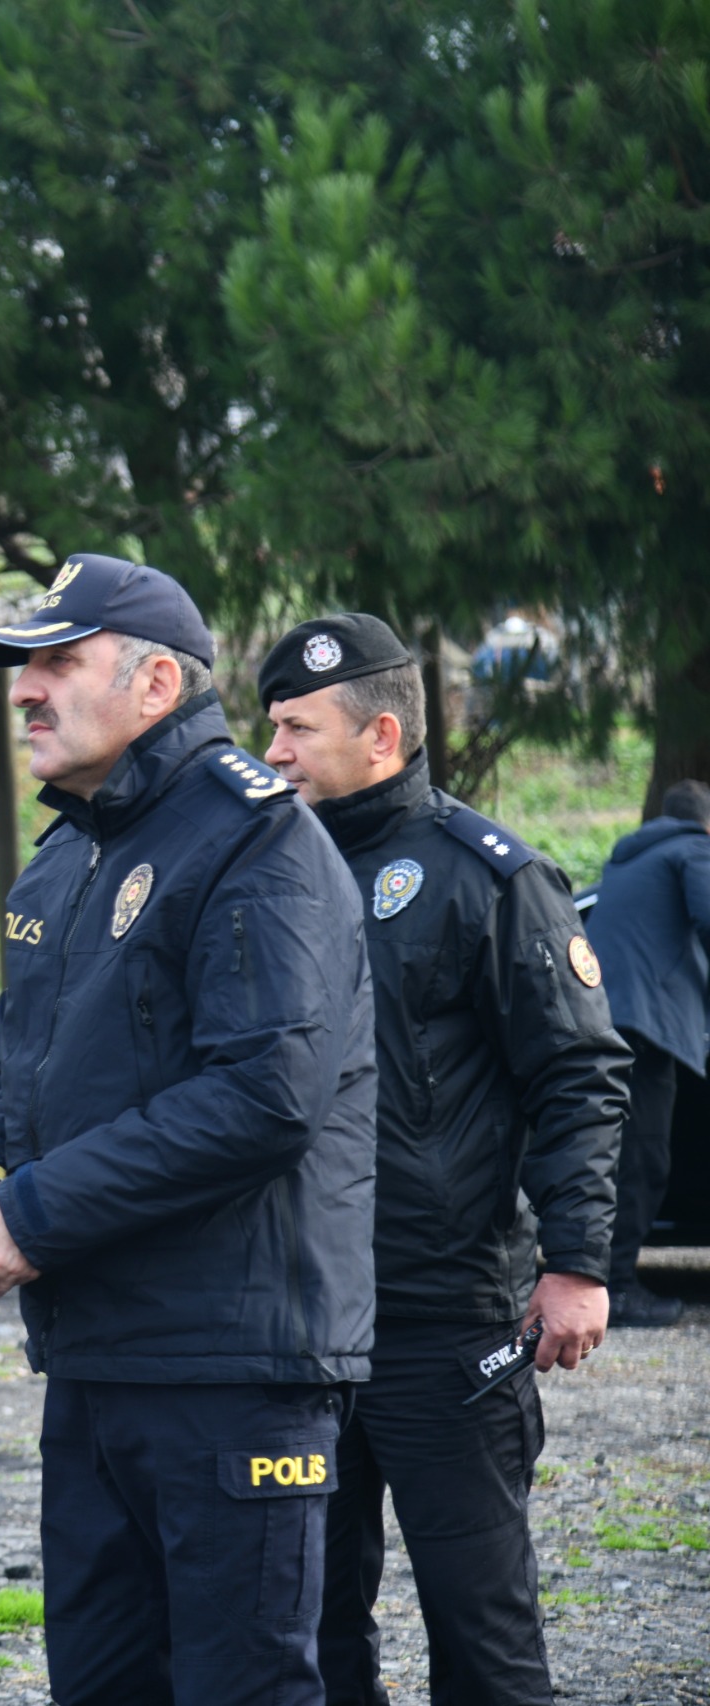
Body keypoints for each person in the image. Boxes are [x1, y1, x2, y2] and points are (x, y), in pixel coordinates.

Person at [0, 555, 377, 1706]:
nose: (24, 689)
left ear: (156, 681)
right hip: (96, 1352)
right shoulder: (67, 852)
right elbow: (17, 1067)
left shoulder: (251, 839)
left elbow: (264, 1094)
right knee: (103, 1682)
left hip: (231, 1366)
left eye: (56, 662)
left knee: (240, 1688)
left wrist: (35, 1210)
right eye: (20, 666)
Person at [260, 614, 628, 1706]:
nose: (270, 750)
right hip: (299, 1323)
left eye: (294, 727)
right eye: (268, 724)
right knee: (308, 1624)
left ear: (380, 733)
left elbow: (577, 1072)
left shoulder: (484, 875)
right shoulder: (266, 870)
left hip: (442, 1319)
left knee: (481, 1628)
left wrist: (577, 1261)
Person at [585, 778, 710, 1327]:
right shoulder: (692, 849)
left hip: (608, 1021)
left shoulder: (630, 859)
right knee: (643, 1160)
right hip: (644, 1026)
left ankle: (608, 1278)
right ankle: (617, 1288)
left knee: (623, 1157)